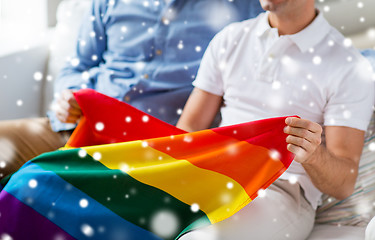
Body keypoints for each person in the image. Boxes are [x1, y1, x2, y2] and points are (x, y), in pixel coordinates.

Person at [0, 0, 264, 179]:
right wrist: (67, 99)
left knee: (35, 187)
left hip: (154, 151)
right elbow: (78, 66)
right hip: (76, 128)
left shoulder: (245, 8)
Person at [177, 0, 374, 239]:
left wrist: (313, 155)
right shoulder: (230, 39)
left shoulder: (349, 66)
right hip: (214, 174)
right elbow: (187, 128)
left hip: (280, 192)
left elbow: (343, 184)